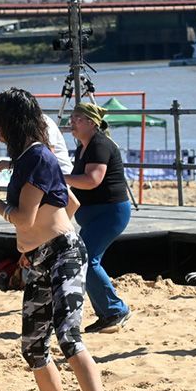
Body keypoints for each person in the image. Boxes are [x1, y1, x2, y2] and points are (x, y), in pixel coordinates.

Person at [0, 88, 118, 391]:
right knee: (33, 347)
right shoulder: (28, 158)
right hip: (40, 257)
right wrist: (30, 246)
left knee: (69, 338)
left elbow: (24, 216)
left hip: (63, 254)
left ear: (8, 123)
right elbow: (70, 202)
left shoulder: (38, 156)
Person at [64, 103, 132, 334]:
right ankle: (107, 313)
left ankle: (116, 309)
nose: (72, 122)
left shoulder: (100, 145)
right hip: (96, 213)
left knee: (87, 260)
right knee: (86, 261)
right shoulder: (83, 146)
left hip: (110, 212)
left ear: (92, 123)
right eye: (71, 117)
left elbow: (92, 180)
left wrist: (60, 177)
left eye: (77, 119)